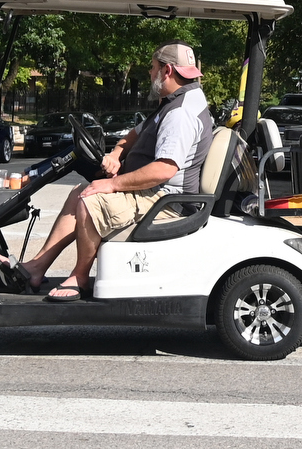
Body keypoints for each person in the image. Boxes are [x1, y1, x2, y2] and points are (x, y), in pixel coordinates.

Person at [22, 41, 213, 299]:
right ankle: (37, 266)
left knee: (92, 200)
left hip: (167, 201)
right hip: (156, 192)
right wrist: (115, 154)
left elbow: (164, 169)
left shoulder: (180, 113)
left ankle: (79, 276)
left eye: (153, 67)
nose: (149, 72)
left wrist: (112, 184)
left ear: (167, 71)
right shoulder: (173, 101)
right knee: (79, 192)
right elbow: (134, 135)